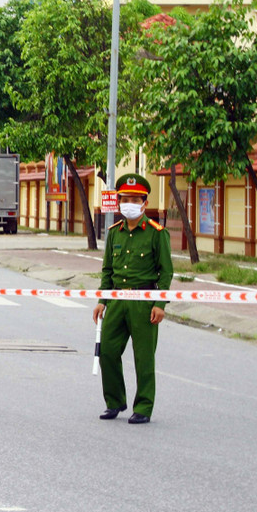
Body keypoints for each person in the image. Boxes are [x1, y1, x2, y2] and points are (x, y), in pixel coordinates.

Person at [92, 174, 173, 424]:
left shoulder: (157, 233)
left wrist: (160, 304)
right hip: (117, 300)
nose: (129, 204)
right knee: (107, 351)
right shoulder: (114, 232)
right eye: (125, 199)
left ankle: (144, 407)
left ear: (144, 203)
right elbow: (107, 270)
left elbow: (166, 272)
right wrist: (102, 300)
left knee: (143, 357)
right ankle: (114, 401)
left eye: (134, 200)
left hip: (143, 302)